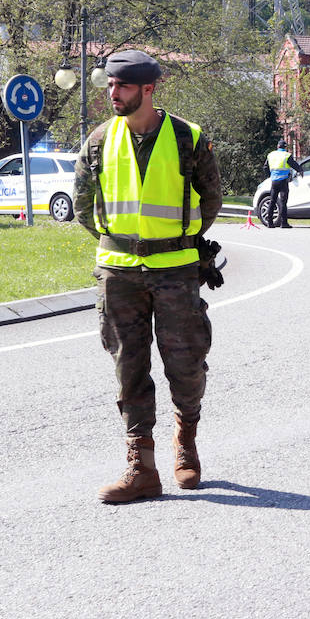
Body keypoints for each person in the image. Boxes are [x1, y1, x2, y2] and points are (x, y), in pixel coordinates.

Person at [73, 49, 224, 503]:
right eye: (110, 87)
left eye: (122, 87)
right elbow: (83, 203)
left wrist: (176, 241)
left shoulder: (187, 138)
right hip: (119, 272)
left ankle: (187, 442)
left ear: (148, 90)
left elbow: (211, 199)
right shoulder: (99, 140)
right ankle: (142, 468)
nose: (113, 94)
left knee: (187, 364)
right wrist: (119, 242)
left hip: (176, 270)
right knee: (128, 369)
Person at [264, 138, 303, 228]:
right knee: (283, 202)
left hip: (274, 181)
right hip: (283, 181)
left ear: (278, 146)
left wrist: (270, 176)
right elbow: (294, 165)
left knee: (272, 201)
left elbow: (265, 167)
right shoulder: (286, 155)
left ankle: (270, 223)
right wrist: (300, 170)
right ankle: (284, 223)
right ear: (285, 147)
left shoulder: (271, 155)